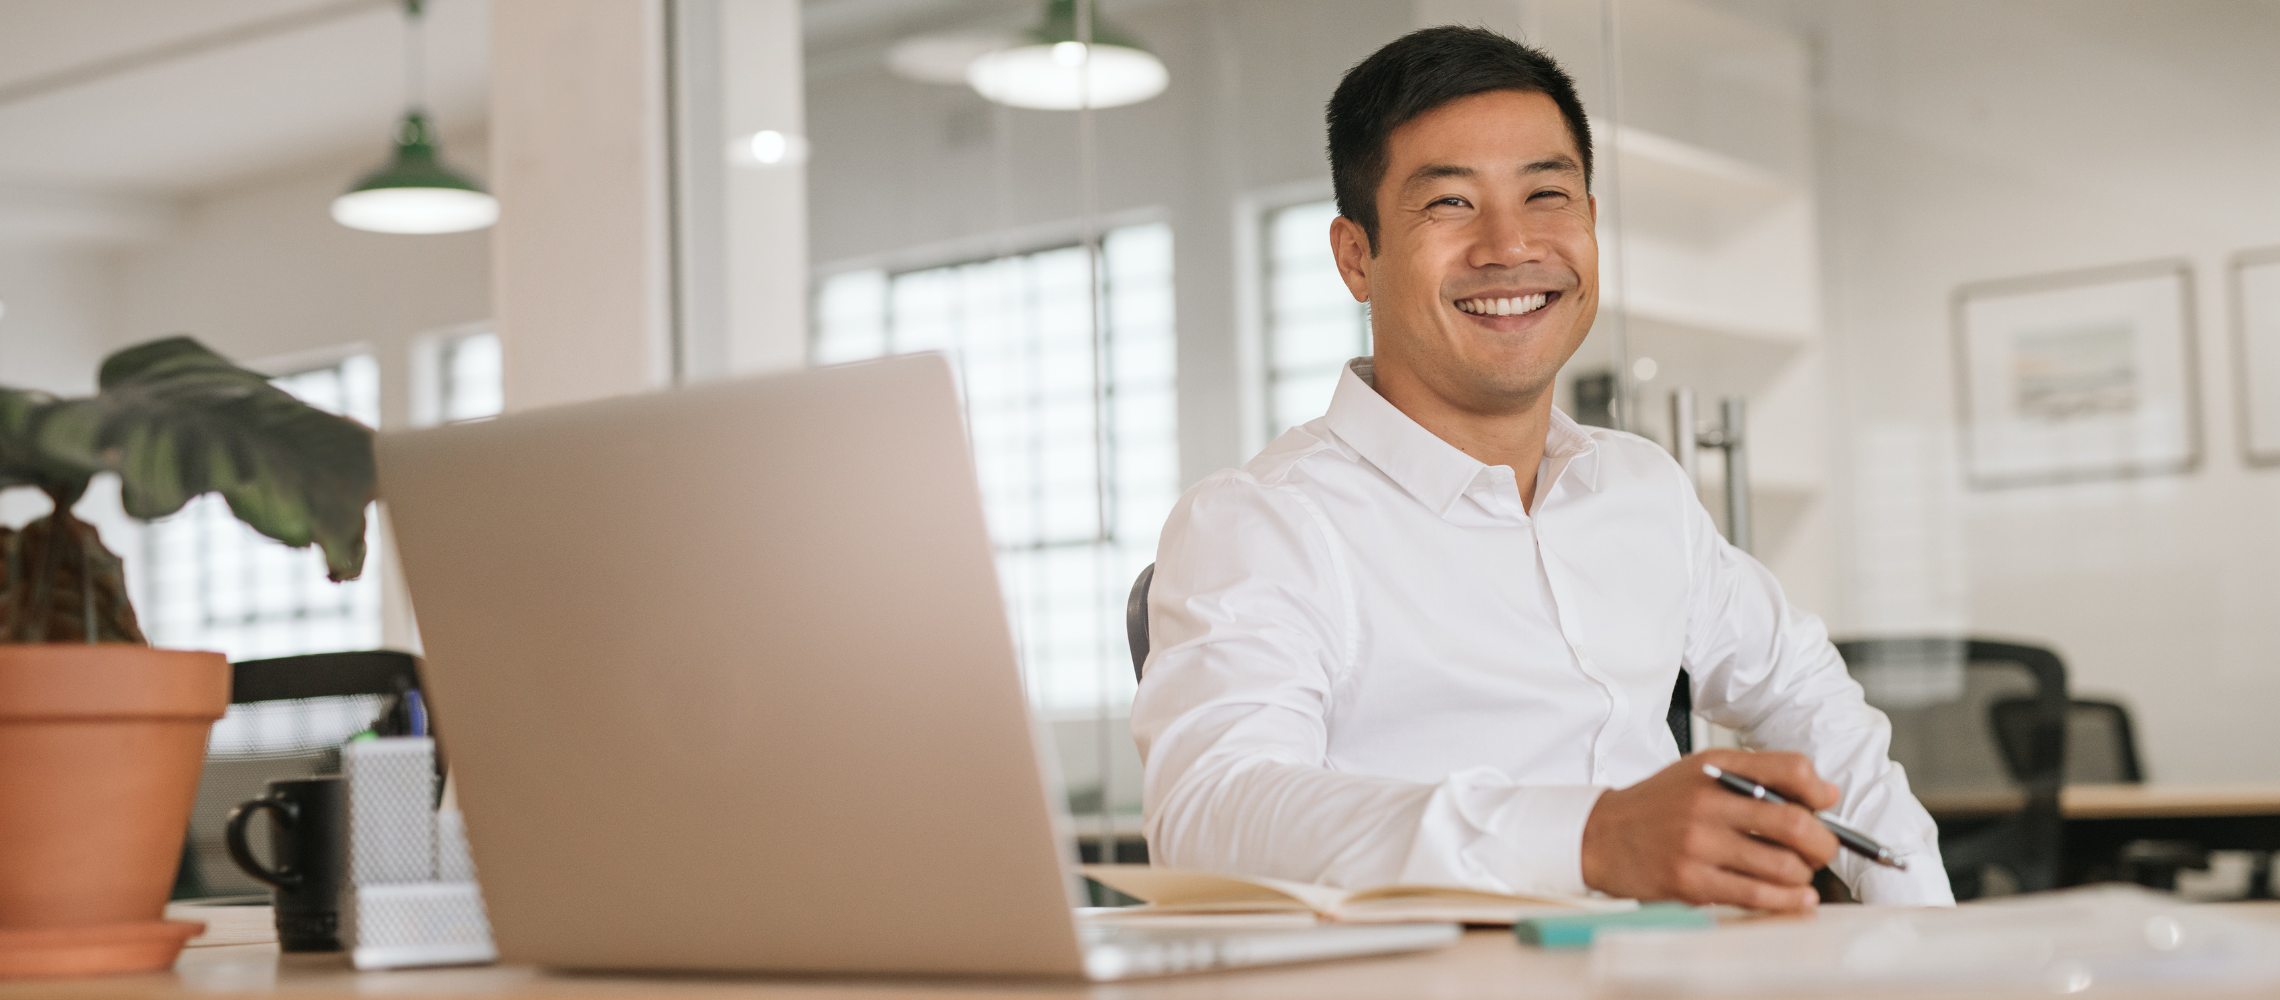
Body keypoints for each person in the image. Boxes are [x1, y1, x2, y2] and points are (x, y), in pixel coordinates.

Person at [1129, 25, 1953, 910]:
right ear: (1356, 256)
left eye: (1547, 194)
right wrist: (1589, 839)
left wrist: (1924, 928)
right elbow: (1212, 809)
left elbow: (1803, 690)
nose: (1509, 246)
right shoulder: (1263, 522)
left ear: (1591, 223)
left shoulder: (1643, 489)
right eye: (1449, 204)